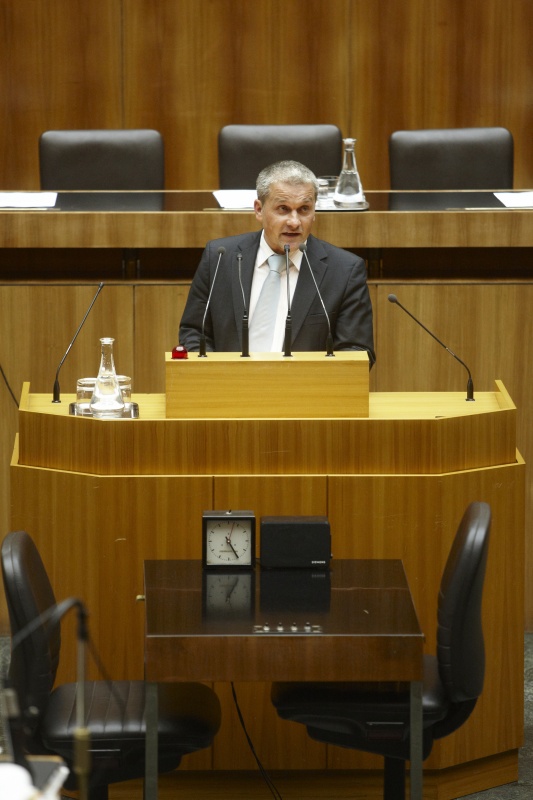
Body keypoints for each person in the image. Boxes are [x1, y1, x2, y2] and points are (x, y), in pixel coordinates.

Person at [179, 160, 375, 366]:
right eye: (283, 209)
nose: (294, 222)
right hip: (228, 389)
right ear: (259, 210)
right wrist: (217, 377)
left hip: (305, 393)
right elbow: (194, 332)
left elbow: (357, 352)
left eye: (304, 209)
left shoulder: (344, 271)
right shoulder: (220, 258)